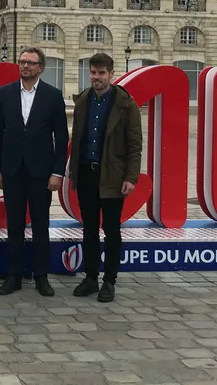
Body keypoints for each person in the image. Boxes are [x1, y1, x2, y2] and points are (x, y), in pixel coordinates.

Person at [0, 47, 69, 297]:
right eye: (22, 62)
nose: (25, 66)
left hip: (40, 173)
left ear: (40, 68)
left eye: (31, 63)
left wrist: (58, 173)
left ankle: (41, 277)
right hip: (12, 171)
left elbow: (61, 136)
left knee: (40, 225)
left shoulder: (53, 96)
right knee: (14, 225)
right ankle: (13, 276)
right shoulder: (5, 93)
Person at [67, 52, 142, 303]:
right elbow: (77, 139)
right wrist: (73, 171)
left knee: (111, 230)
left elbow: (134, 145)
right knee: (88, 229)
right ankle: (90, 277)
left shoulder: (125, 104)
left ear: (111, 74)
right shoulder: (83, 101)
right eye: (93, 73)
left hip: (112, 175)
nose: (96, 77)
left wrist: (131, 177)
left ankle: (109, 281)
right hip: (86, 174)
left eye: (101, 73)